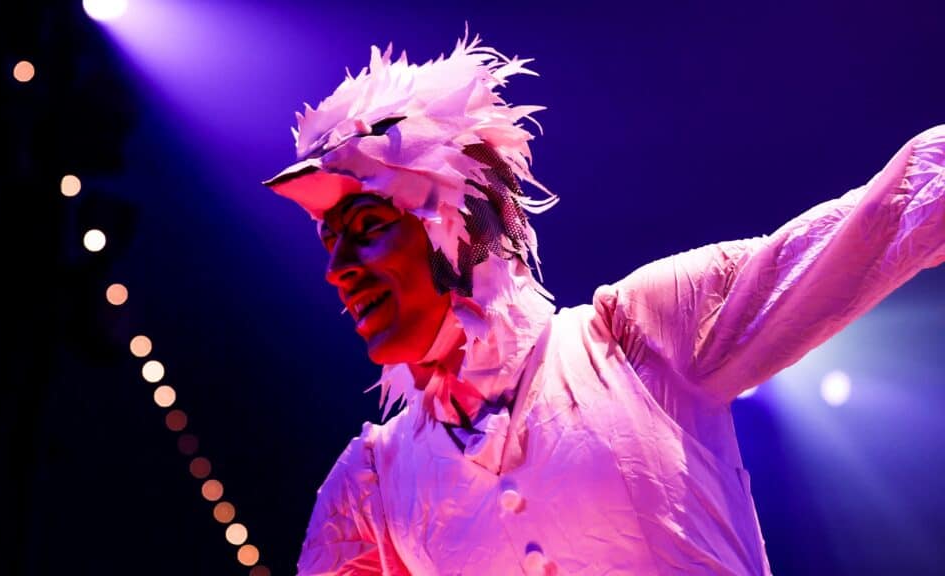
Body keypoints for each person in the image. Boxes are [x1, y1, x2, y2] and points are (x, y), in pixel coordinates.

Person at [263, 31, 945, 575]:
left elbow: (880, 219)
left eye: (368, 229)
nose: (337, 272)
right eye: (329, 244)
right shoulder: (375, 486)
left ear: (462, 222)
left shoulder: (639, 336)